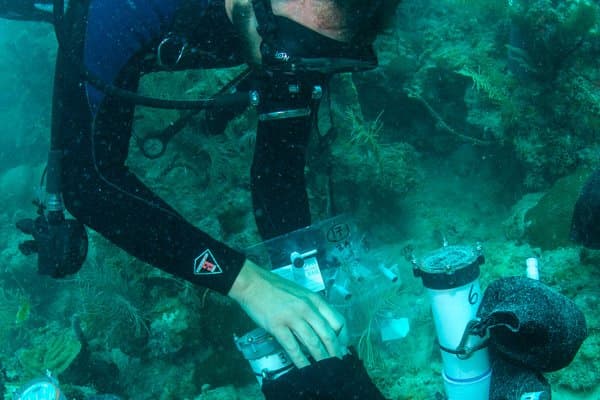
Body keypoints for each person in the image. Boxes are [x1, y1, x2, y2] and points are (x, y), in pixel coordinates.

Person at [3, 0, 401, 398]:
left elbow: (279, 174)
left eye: (322, 55)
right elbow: (88, 184)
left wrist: (305, 295)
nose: (296, 66)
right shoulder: (127, 9)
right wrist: (248, 285)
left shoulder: (288, 28)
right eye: (298, 46)